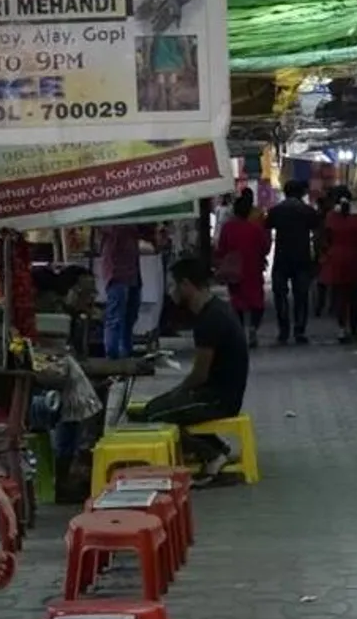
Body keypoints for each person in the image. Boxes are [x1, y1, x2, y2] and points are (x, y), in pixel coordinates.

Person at [133, 257, 250, 480]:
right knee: (158, 407)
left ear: (186, 284)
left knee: (154, 414)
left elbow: (199, 375)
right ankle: (216, 448)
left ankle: (212, 455)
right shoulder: (216, 309)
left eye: (172, 285)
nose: (170, 291)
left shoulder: (210, 319)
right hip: (223, 392)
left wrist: (177, 392)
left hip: (218, 398)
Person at [266, 180, 320, 345]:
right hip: (302, 257)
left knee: (280, 295)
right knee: (301, 296)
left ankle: (284, 331)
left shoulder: (276, 211)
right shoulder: (308, 211)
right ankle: (299, 330)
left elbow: (267, 228)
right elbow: (317, 231)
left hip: (282, 257)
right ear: (301, 193)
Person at [215, 193, 269, 349]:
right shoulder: (256, 228)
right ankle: (253, 329)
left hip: (234, 269)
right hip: (253, 268)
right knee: (256, 300)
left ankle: (240, 331)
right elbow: (265, 248)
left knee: (237, 301)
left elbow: (221, 249)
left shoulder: (228, 228)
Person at [319, 188, 357, 344]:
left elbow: (326, 239)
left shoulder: (331, 217)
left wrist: (325, 255)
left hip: (336, 258)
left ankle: (342, 327)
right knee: (355, 294)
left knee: (340, 295)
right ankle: (355, 326)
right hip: (355, 257)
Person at [99, 225, 143, 359]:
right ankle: (113, 354)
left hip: (132, 273)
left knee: (129, 316)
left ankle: (125, 351)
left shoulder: (131, 228)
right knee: (116, 317)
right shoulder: (114, 225)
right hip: (117, 273)